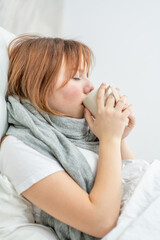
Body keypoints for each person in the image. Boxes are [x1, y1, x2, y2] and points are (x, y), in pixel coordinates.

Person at [0, 35, 136, 240]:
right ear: (39, 88)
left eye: (87, 75)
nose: (90, 86)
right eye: (76, 77)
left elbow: (134, 182)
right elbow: (101, 223)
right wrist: (111, 140)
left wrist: (119, 138)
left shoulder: (88, 133)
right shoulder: (20, 146)